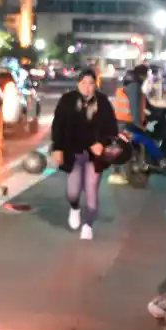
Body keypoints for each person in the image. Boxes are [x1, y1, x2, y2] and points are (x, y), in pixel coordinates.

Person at [51, 68, 118, 239]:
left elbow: (112, 129)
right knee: (72, 191)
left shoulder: (102, 102)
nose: (87, 87)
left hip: (94, 157)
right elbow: (58, 125)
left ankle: (88, 224)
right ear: (78, 84)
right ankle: (74, 208)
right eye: (84, 83)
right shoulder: (67, 101)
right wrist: (57, 148)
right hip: (73, 153)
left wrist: (102, 143)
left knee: (91, 189)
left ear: (95, 85)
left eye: (91, 84)